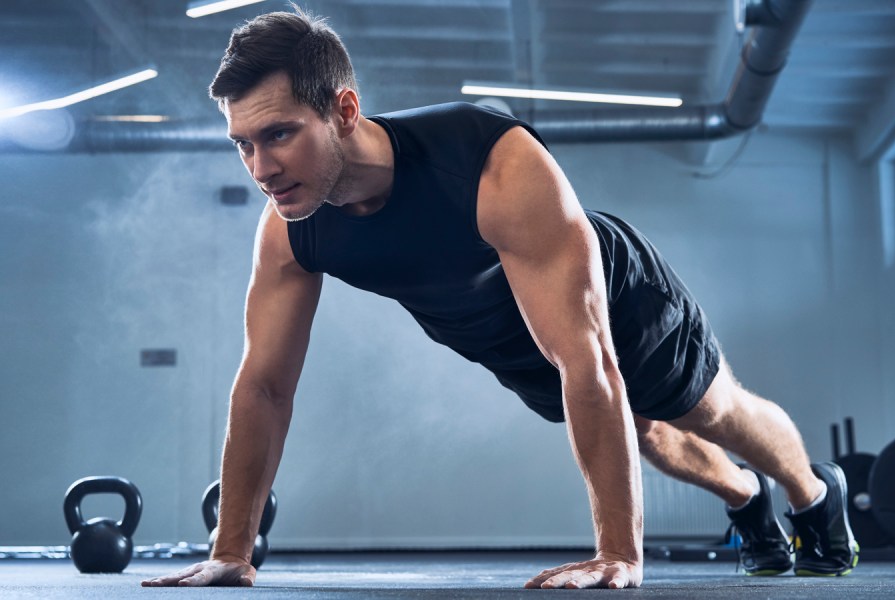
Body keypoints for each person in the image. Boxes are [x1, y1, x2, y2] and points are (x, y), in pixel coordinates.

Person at [142, 7, 857, 590]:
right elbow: (264, 386)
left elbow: (589, 357)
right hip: (505, 336)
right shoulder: (292, 230)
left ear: (345, 109)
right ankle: (745, 499)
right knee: (646, 435)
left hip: (613, 298)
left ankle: (813, 496)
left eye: (279, 135)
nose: (261, 168)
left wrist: (618, 555)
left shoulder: (488, 161)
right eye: (243, 145)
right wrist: (232, 548)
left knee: (705, 410)